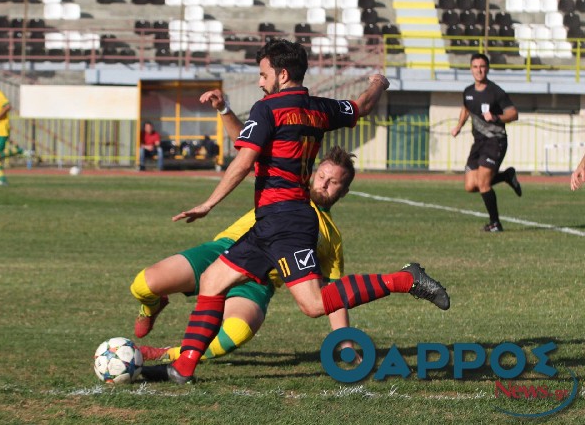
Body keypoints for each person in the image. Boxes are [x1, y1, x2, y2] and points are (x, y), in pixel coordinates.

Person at [151, 39, 449, 385]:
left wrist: (208, 203)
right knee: (212, 280)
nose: (260, 82)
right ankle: (182, 368)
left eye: (263, 75)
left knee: (313, 305)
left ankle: (405, 279)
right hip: (273, 221)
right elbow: (363, 107)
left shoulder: (268, 108)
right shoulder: (319, 108)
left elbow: (244, 162)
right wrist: (378, 83)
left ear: (281, 74)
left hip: (285, 221)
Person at [134, 146, 359, 368]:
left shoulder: (332, 238)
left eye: (334, 182)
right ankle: (151, 306)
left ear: (344, 191)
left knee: (236, 333)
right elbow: (248, 149)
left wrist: (346, 345)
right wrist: (224, 109)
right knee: (143, 285)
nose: (324, 184)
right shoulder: (287, 190)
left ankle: (169, 354)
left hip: (259, 281)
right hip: (225, 250)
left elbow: (332, 293)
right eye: (321, 176)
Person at [451, 53, 521, 232]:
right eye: (475, 67)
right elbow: (466, 108)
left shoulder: (496, 92)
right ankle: (506, 176)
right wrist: (459, 126)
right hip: (479, 142)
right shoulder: (468, 92)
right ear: (471, 69)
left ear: (487, 68)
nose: (479, 70)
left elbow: (514, 113)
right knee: (470, 186)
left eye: (482, 66)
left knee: (483, 183)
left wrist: (497, 117)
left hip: (495, 141)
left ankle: (495, 224)